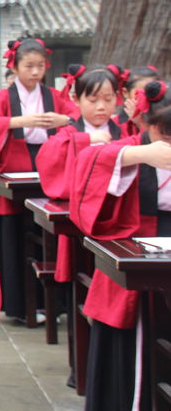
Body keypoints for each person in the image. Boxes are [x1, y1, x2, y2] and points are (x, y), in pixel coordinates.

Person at [67, 80, 171, 411]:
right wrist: (140, 153)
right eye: (164, 131)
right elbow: (88, 163)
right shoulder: (131, 147)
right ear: (149, 123)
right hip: (140, 250)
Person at [0, 39, 78, 321]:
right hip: (16, 172)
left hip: (51, 168)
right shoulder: (4, 98)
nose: (35, 72)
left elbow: (77, 117)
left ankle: (53, 305)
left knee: (51, 234)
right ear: (15, 66)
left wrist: (63, 120)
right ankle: (20, 306)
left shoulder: (54, 96)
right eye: (28, 66)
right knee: (15, 237)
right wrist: (19, 121)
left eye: (40, 66)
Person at [39, 66, 127, 285]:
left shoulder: (123, 131)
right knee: (79, 269)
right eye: (93, 100)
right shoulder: (70, 133)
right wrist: (85, 139)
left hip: (116, 213)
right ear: (76, 99)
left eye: (108, 99)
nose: (101, 107)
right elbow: (46, 157)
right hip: (79, 214)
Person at [117, 65, 159, 135]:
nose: (147, 98)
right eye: (141, 93)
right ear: (125, 92)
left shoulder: (164, 119)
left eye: (152, 93)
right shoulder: (114, 123)